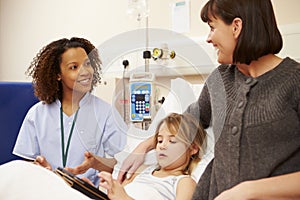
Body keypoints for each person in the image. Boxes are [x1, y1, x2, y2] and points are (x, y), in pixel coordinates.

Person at [117, 0, 300, 199]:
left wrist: (248, 191)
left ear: (236, 27)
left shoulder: (294, 81)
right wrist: (145, 146)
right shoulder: (220, 79)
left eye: (212, 28)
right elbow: (187, 123)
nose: (208, 38)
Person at [0, 112, 207, 200]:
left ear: (193, 149)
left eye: (172, 141)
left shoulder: (183, 181)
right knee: (23, 171)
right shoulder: (144, 172)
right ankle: (51, 177)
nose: (162, 146)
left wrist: (125, 198)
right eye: (159, 140)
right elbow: (114, 195)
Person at [12, 37, 127, 185]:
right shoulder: (37, 114)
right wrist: (40, 170)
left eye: (87, 64)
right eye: (74, 67)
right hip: (47, 190)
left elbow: (122, 164)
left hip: (85, 193)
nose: (84, 72)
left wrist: (95, 163)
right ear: (58, 75)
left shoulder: (105, 113)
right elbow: (26, 164)